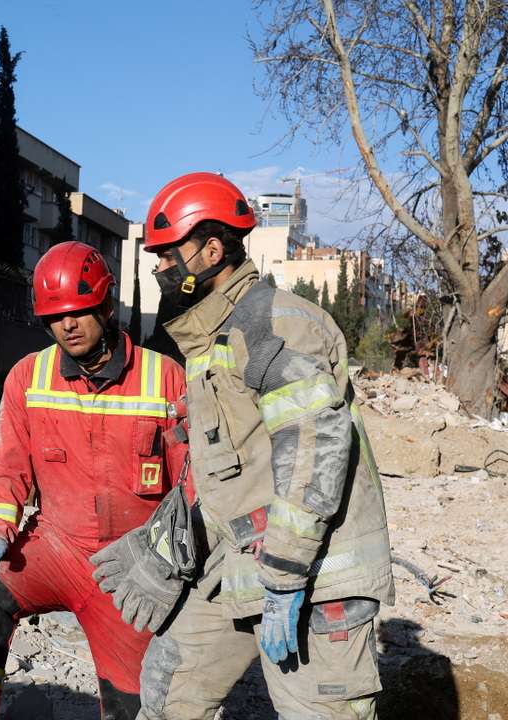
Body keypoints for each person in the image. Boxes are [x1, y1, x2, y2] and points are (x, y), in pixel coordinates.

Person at [92, 173, 394, 718]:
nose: (159, 267)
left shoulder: (273, 324)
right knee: (169, 690)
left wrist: (283, 576)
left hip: (313, 576)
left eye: (167, 254)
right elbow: (237, 463)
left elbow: (314, 444)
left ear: (212, 250)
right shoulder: (213, 336)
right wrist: (177, 538)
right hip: (241, 563)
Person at [0, 241, 189, 720]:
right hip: (57, 547)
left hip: (131, 569)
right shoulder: (29, 377)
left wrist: (169, 569)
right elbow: (8, 467)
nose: (67, 325)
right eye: (55, 315)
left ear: (107, 306)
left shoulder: (166, 378)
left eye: (79, 311)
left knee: (136, 706)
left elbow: (190, 492)